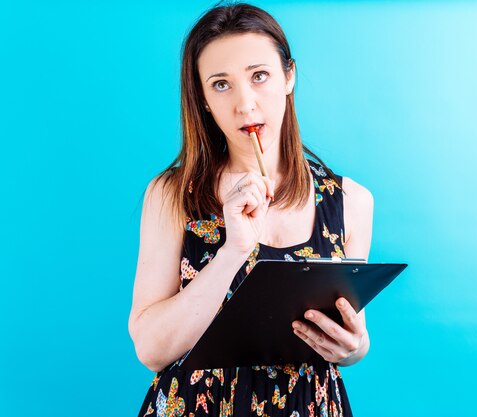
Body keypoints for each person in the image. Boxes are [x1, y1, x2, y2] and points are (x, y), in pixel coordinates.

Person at [128, 2, 374, 416]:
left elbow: (348, 334)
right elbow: (151, 350)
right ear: (203, 99)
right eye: (221, 84)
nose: (245, 104)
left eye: (259, 76)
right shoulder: (172, 194)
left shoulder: (350, 202)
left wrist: (355, 348)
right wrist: (232, 251)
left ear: (288, 77)